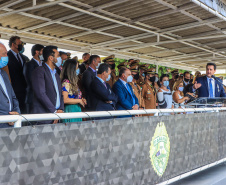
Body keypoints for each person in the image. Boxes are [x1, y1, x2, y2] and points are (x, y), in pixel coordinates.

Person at [31, 45, 64, 124]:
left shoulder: (56, 74)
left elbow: (60, 94)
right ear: (51, 58)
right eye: (58, 56)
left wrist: (61, 109)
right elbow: (41, 94)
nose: (60, 58)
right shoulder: (39, 71)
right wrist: (54, 111)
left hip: (57, 116)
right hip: (44, 117)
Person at [0, 42, 20, 128]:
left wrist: (16, 113)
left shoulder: (4, 74)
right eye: (4, 54)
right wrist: (4, 117)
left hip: (11, 123)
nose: (6, 56)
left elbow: (13, 97)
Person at [7, 36, 27, 113]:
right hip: (14, 90)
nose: (21, 45)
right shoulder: (7, 56)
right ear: (13, 44)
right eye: (19, 43)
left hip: (24, 91)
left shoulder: (23, 57)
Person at [23, 44, 44, 113]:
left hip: (44, 98)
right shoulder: (28, 64)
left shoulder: (44, 65)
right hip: (33, 98)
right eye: (42, 51)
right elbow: (30, 81)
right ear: (37, 52)